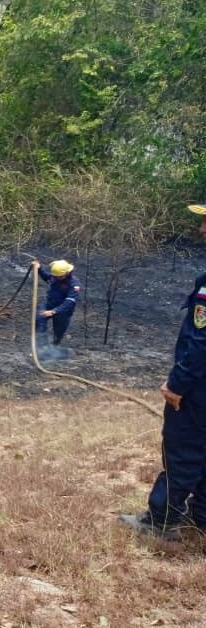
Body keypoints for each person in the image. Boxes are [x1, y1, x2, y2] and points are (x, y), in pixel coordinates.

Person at [119, 203, 206, 540]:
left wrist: (177, 384)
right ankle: (201, 518)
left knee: (182, 449)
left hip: (198, 389)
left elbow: (201, 342)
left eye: (205, 223)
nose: (201, 229)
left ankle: (161, 522)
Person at [32, 259, 81, 346]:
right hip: (49, 303)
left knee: (59, 331)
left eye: (60, 276)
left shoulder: (74, 283)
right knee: (39, 319)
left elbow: (70, 302)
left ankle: (55, 344)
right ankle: (42, 346)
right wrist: (39, 269)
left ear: (67, 273)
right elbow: (47, 277)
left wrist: (54, 311)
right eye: (56, 276)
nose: (57, 278)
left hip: (63, 310)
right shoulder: (55, 276)